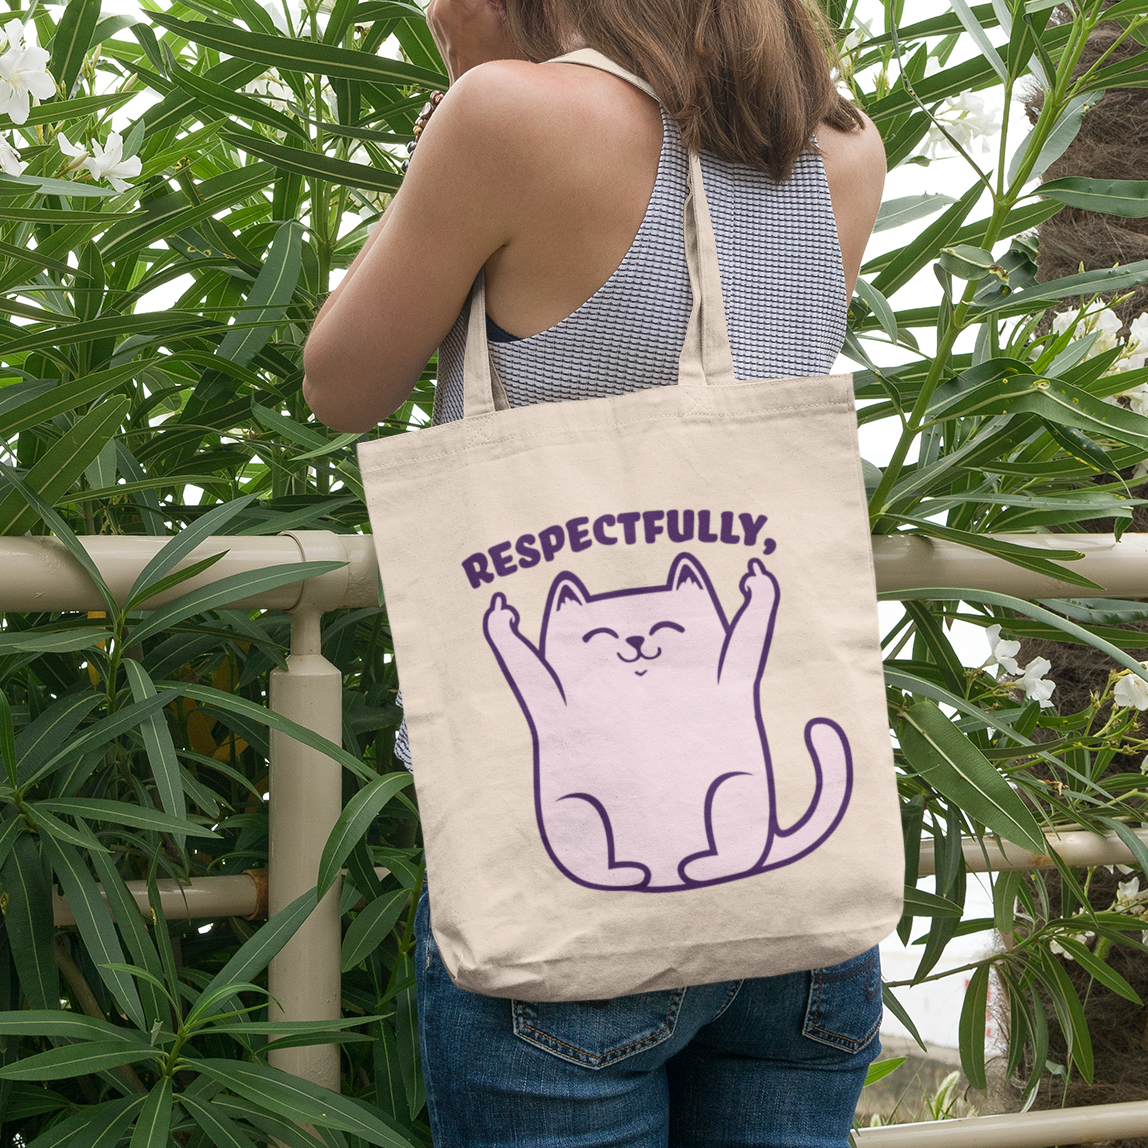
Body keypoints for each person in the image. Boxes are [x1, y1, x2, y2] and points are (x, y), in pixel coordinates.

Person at [304, 1, 887, 1144]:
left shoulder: (508, 118)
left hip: (560, 907)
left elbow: (341, 383)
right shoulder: (839, 149)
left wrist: (458, 112)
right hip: (798, 914)